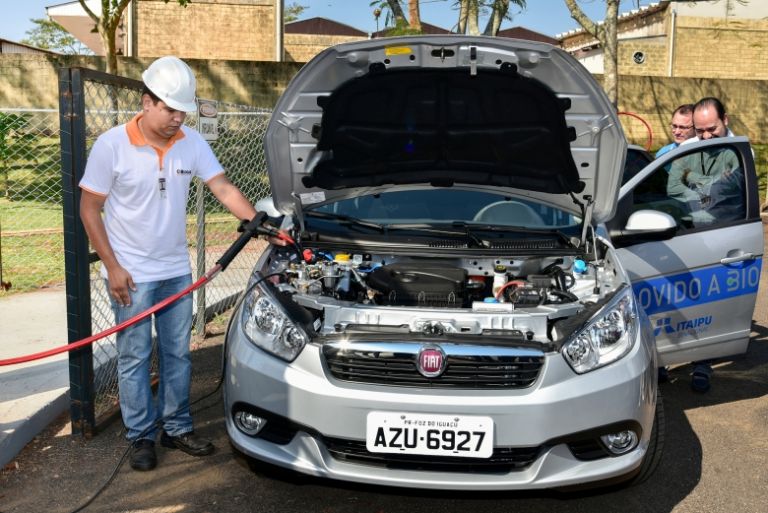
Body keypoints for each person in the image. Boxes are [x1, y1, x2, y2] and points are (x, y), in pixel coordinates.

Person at [79, 56, 259, 471]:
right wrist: (113, 266)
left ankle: (176, 428)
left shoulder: (191, 142)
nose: (178, 118)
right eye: (170, 109)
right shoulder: (111, 146)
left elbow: (222, 186)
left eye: (183, 110)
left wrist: (259, 223)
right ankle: (140, 436)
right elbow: (90, 210)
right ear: (146, 102)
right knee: (135, 356)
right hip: (133, 275)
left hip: (176, 271)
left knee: (179, 354)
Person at [664, 97, 744, 393]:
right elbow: (673, 187)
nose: (706, 136)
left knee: (707, 309)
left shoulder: (737, 153)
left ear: (726, 118)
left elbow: (726, 193)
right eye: (701, 130)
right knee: (676, 303)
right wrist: (701, 182)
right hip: (686, 235)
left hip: (721, 241)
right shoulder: (690, 147)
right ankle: (665, 360)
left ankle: (702, 364)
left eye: (712, 129)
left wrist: (690, 179)